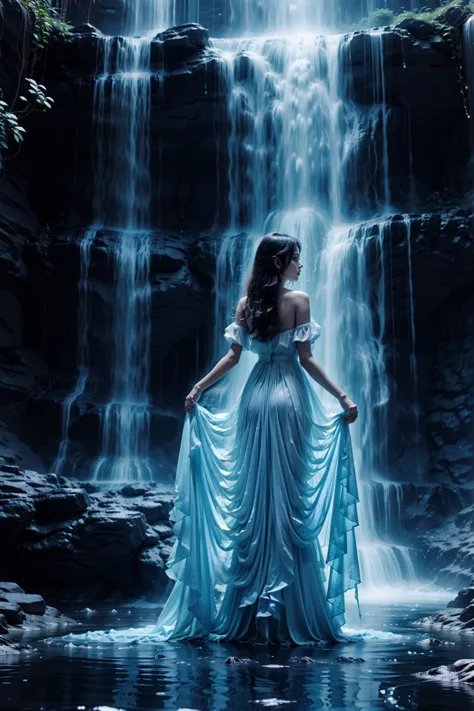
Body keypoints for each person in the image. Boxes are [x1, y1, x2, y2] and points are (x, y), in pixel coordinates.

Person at [55, 232, 361, 648]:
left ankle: (244, 610)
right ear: (279, 263)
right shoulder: (299, 301)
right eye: (295, 259)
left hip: (253, 399)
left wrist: (197, 389)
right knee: (287, 500)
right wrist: (341, 396)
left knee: (254, 499)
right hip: (289, 399)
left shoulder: (246, 305)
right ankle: (290, 610)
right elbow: (305, 360)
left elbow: (234, 357)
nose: (301, 266)